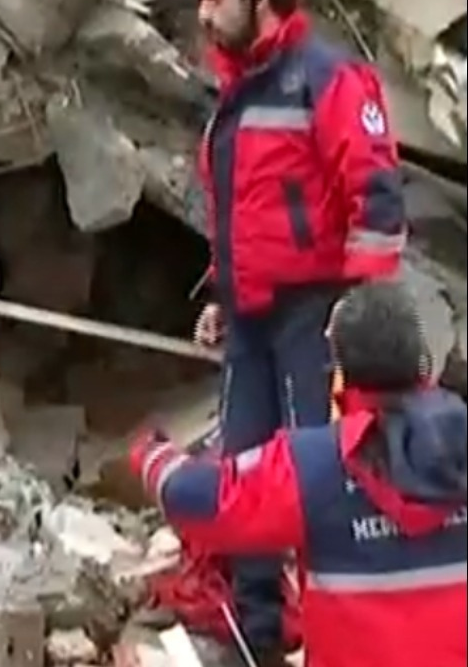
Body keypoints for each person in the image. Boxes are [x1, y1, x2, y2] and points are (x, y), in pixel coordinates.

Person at [188, 0, 407, 659]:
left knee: (323, 472)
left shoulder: (327, 78)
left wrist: (359, 306)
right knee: (244, 467)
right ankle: (259, 632)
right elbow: (237, 210)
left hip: (315, 311)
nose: (202, 15)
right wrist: (221, 293)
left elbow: (375, 192)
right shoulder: (240, 90)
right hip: (252, 315)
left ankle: (336, 627)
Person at [134, 281, 465, 667]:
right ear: (422, 360)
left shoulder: (314, 464)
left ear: (340, 367)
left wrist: (152, 454)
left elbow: (200, 500)